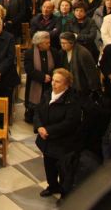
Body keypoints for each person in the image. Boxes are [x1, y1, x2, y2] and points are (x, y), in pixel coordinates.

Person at [34, 68, 82, 199]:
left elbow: (70, 123)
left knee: (64, 170)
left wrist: (48, 130)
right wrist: (39, 127)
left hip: (62, 142)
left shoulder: (72, 100)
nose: (53, 84)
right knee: (49, 165)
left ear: (66, 84)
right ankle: (52, 186)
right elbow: (38, 111)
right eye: (53, 81)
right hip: (46, 140)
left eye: (58, 82)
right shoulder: (47, 93)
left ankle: (65, 194)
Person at [24, 31, 62, 124]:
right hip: (35, 82)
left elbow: (58, 66)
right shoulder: (30, 53)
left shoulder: (54, 52)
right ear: (39, 44)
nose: (49, 44)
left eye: (49, 42)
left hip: (51, 82)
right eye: (46, 43)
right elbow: (28, 69)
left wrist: (51, 76)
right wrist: (42, 77)